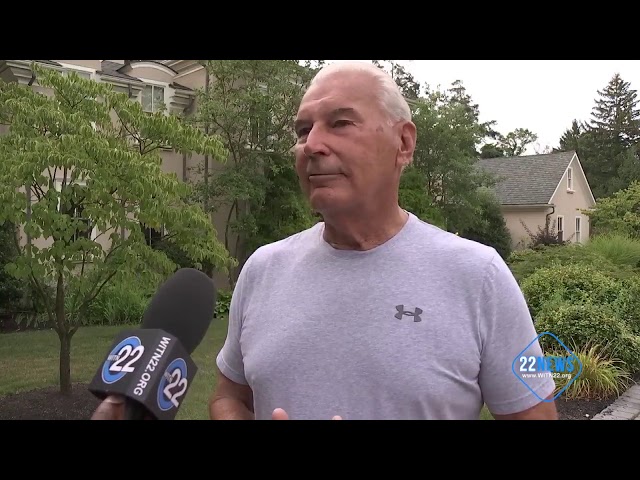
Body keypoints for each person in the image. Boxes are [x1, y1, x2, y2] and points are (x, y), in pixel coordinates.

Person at [91, 61, 558, 420]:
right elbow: (230, 396)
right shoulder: (262, 269)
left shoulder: (480, 275)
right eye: (302, 130)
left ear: (404, 143)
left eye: (340, 123)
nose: (311, 145)